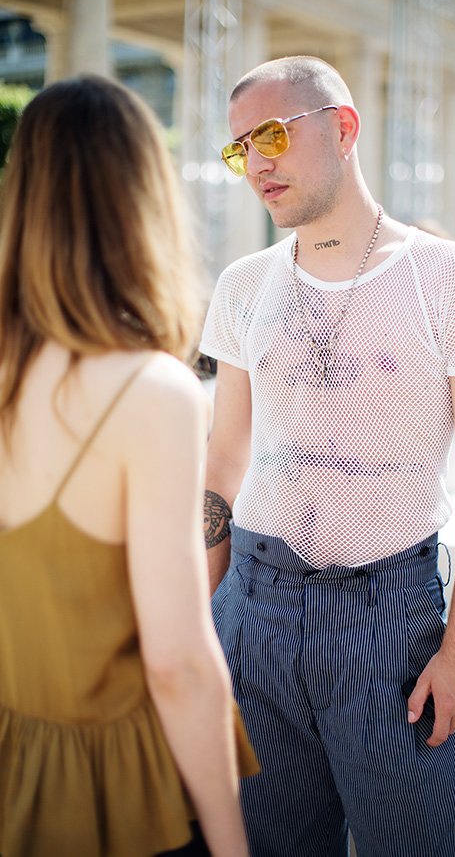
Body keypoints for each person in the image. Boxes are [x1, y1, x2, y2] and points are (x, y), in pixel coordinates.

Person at [200, 56, 455, 857]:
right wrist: (206, 623)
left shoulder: (448, 276)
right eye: (241, 149)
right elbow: (224, 457)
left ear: (342, 128)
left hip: (388, 618)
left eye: (272, 134)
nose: (257, 163)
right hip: (253, 604)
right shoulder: (242, 284)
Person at [0, 75, 256, 857]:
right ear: (144, 202)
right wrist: (231, 843)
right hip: (118, 793)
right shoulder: (153, 392)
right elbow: (178, 662)